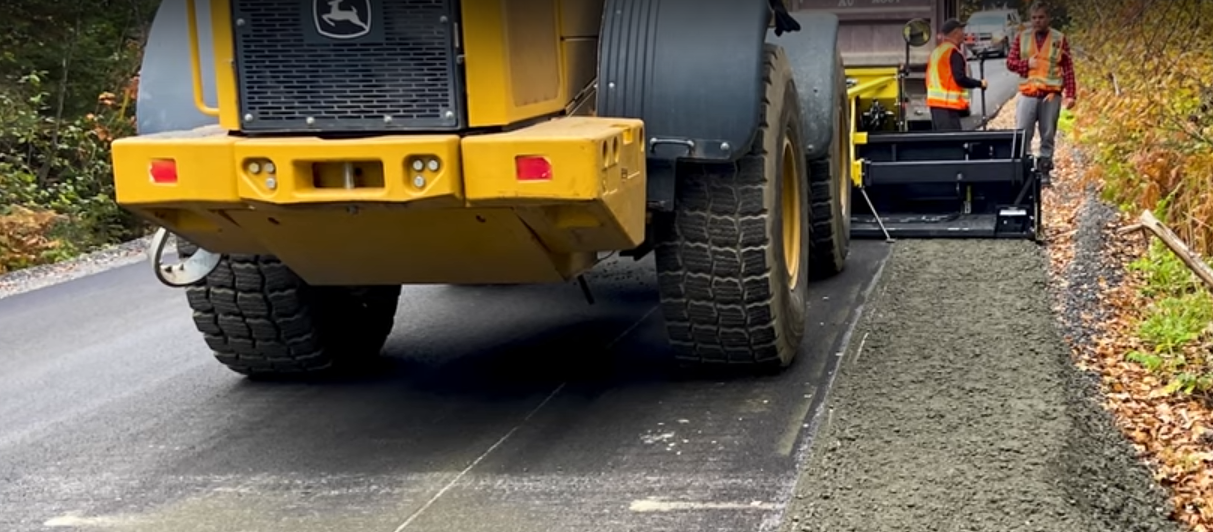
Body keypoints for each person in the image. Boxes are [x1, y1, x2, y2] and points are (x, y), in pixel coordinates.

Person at [1006, 2, 1076, 186]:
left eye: (1041, 17)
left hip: (1050, 95)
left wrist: (1071, 94)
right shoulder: (1022, 37)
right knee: (1023, 134)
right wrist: (1026, 64)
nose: (1037, 21)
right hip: (1028, 94)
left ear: (1048, 18)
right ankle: (1026, 172)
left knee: (1048, 135)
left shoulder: (1059, 39)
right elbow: (1010, 63)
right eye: (1034, 18)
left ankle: (1044, 172)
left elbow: (1067, 68)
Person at [926, 18, 987, 131]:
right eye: (961, 30)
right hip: (946, 106)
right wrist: (979, 83)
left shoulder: (937, 51)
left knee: (942, 142)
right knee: (951, 143)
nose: (963, 34)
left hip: (936, 105)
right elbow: (959, 78)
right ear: (955, 33)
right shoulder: (953, 52)